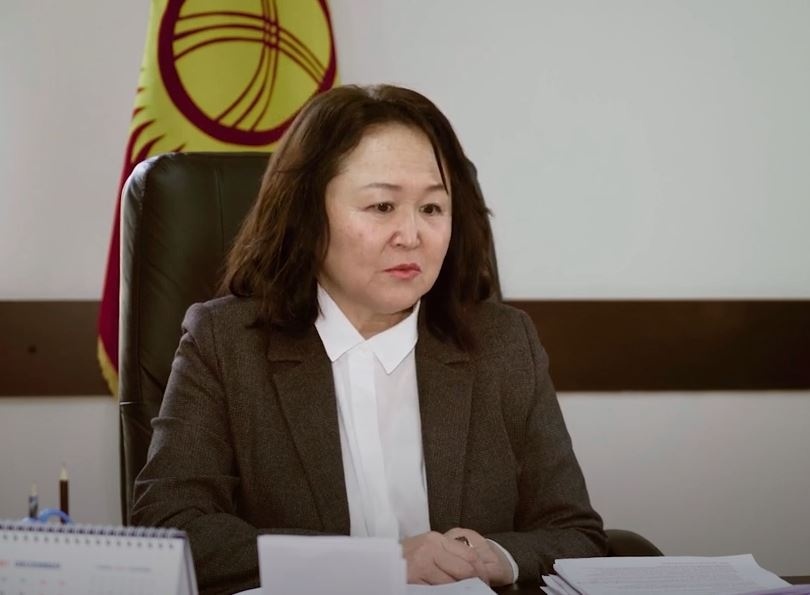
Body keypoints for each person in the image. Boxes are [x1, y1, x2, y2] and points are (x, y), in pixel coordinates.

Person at [130, 84, 607, 595]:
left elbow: (575, 533)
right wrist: (378, 562)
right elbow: (173, 528)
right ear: (307, 213)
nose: (411, 235)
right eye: (382, 206)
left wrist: (501, 557)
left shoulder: (503, 343)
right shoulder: (226, 344)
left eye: (432, 208)